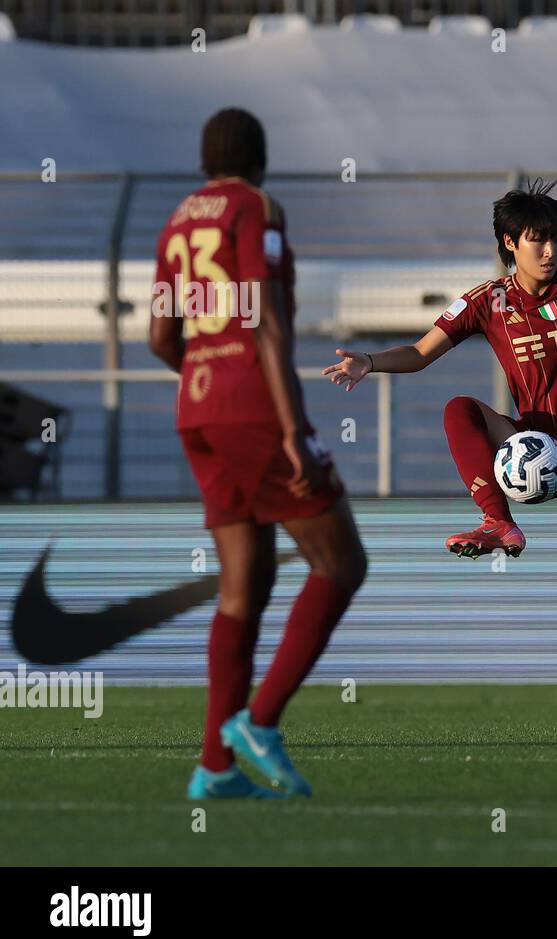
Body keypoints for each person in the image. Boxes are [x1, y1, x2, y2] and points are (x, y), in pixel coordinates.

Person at [323, 179, 557, 741]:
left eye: (555, 238)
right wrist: (368, 360)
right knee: (461, 409)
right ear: (510, 243)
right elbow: (420, 353)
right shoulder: (487, 302)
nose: (550, 251)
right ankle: (497, 519)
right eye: (537, 240)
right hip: (538, 443)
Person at [151, 108, 367, 799]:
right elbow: (265, 318)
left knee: (245, 584)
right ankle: (260, 722)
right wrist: (289, 427)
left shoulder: (176, 220)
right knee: (340, 562)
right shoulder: (256, 206)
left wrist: (206, 368)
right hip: (250, 406)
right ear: (261, 158)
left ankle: (213, 766)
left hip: (198, 411)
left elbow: (159, 334)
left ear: (203, 160)